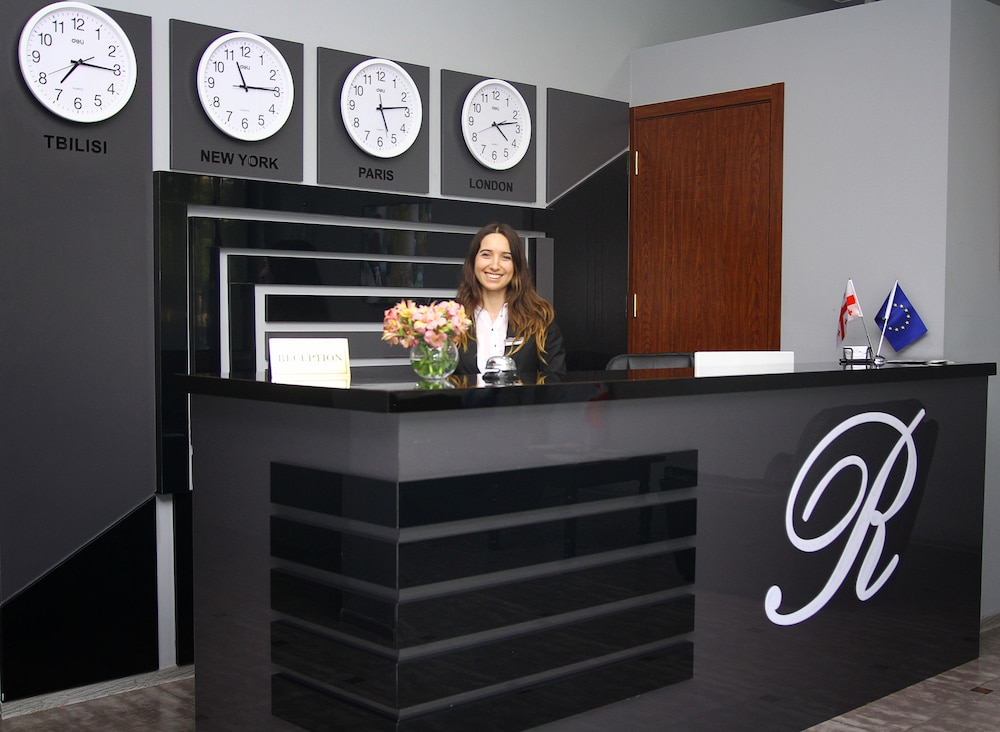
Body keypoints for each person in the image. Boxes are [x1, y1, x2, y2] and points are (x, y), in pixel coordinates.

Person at [455, 223, 566, 380]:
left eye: (506, 257)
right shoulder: (450, 319)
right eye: (486, 255)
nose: (494, 265)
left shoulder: (540, 317)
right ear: (473, 261)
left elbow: (555, 379)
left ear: (516, 266)